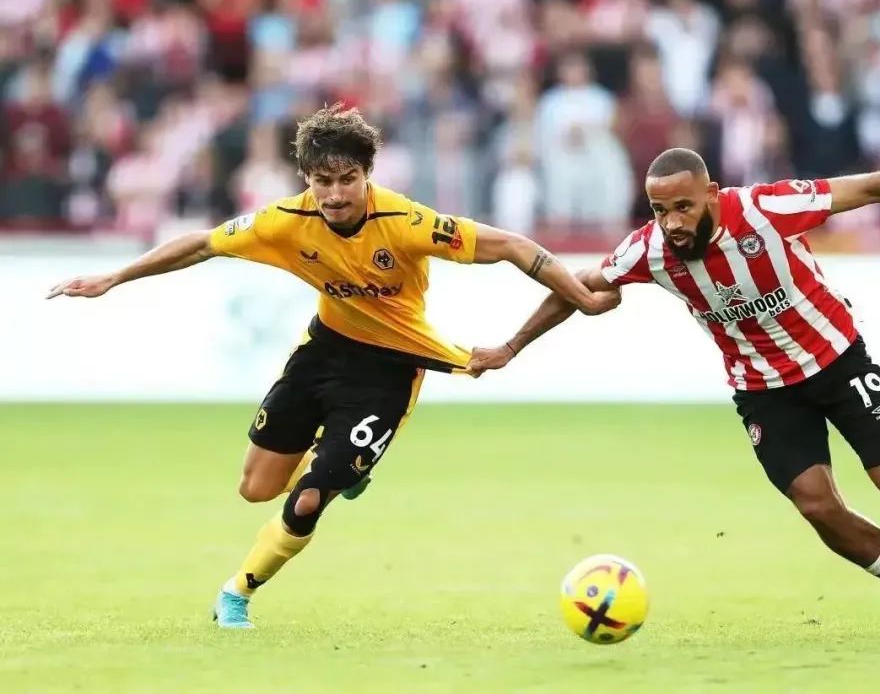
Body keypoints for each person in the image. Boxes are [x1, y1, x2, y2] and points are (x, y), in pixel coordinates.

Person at [46, 103, 619, 629]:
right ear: (306, 179)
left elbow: (514, 245)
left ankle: (237, 593)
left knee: (308, 498)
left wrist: (583, 298)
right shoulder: (283, 221)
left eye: (348, 179)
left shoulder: (406, 221)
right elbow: (200, 244)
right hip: (322, 353)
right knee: (255, 488)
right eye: (324, 181)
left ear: (367, 175)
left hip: (390, 369)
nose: (336, 194)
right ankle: (341, 465)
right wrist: (114, 277)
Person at [467, 148, 880, 634]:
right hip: (763, 389)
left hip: (836, 359)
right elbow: (578, 285)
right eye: (660, 210)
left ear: (712, 195)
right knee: (817, 505)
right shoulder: (649, 250)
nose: (672, 222)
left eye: (683, 207)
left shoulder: (769, 208)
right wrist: (512, 346)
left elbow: (871, 186)